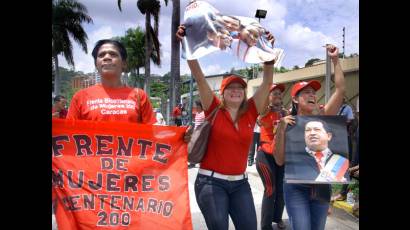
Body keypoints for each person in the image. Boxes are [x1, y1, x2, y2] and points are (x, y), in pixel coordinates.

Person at [177, 24, 276, 230]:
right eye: (230, 88)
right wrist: (187, 44)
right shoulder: (213, 107)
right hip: (210, 183)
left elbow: (267, 83)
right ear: (222, 93)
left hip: (240, 184)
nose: (236, 91)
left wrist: (268, 53)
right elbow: (199, 76)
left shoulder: (251, 111)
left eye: (240, 88)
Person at [274, 44, 346, 230]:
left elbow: (340, 90)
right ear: (296, 99)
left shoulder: (324, 117)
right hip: (295, 188)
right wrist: (281, 130)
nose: (312, 94)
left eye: (313, 92)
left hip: (321, 188)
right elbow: (279, 160)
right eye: (306, 92)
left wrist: (336, 60)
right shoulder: (287, 123)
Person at [66, 39, 156, 123]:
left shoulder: (139, 96)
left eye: (113, 54)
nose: (107, 57)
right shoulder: (80, 97)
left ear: (124, 63)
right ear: (96, 65)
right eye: (101, 55)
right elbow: (69, 133)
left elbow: (152, 131)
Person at [255, 83, 287, 230]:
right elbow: (260, 116)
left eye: (279, 94)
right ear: (267, 97)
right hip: (265, 156)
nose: (278, 96)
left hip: (281, 156)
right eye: (274, 93)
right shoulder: (264, 111)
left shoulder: (286, 113)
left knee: (281, 190)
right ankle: (265, 225)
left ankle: (278, 218)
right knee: (270, 190)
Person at [189, 100, 206, 169]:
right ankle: (192, 162)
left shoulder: (204, 114)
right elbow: (195, 123)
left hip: (201, 134)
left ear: (200, 106)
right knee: (193, 148)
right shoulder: (197, 113)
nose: (195, 107)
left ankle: (195, 163)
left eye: (197, 106)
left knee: (198, 149)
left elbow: (205, 124)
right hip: (195, 133)